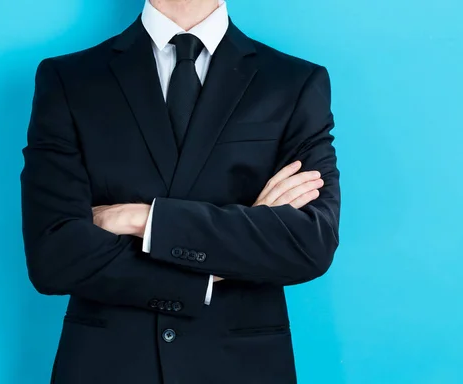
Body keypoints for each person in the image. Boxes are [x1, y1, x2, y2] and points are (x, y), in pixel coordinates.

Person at [20, 0, 340, 382]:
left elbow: (307, 243)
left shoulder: (293, 83)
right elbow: (54, 256)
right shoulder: (69, 79)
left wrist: (145, 220)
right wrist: (230, 254)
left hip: (240, 368)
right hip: (108, 367)